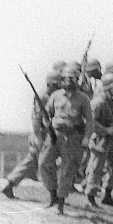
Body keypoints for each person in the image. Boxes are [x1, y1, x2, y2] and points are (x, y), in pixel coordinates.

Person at [39, 62, 93, 215]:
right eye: (66, 79)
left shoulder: (83, 98)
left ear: (77, 80)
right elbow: (46, 114)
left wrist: (87, 138)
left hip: (72, 137)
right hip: (55, 135)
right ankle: (53, 195)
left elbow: (89, 120)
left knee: (67, 170)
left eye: (72, 79)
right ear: (62, 80)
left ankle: (60, 204)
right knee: (43, 163)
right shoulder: (56, 96)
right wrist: (47, 125)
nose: (69, 82)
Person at [3, 69, 61, 200]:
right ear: (51, 84)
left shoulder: (52, 96)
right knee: (46, 163)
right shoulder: (43, 97)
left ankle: (10, 184)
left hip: (44, 135)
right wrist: (40, 137)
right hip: (41, 136)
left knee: (31, 163)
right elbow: (36, 118)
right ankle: (54, 194)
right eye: (57, 85)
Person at [82, 72, 113, 207]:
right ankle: (90, 196)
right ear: (108, 88)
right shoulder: (98, 102)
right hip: (98, 140)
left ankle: (107, 194)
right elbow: (90, 122)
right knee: (96, 168)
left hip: (109, 140)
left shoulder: (111, 102)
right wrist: (106, 130)